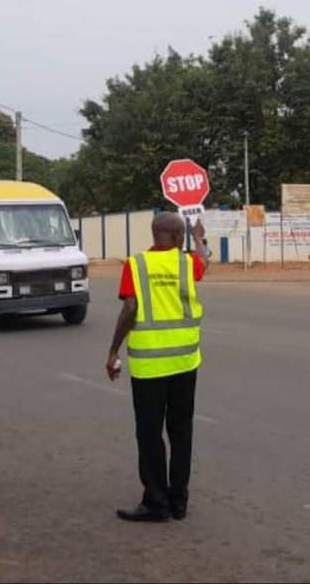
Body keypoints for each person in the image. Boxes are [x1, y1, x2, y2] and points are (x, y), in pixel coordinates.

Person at [108, 212, 209, 522]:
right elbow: (205, 261)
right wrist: (199, 239)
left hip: (149, 365)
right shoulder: (186, 262)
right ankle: (179, 501)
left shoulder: (135, 265)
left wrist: (113, 350)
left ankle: (156, 501)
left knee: (150, 433)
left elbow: (130, 308)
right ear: (177, 237)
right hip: (184, 362)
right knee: (181, 431)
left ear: (155, 235)